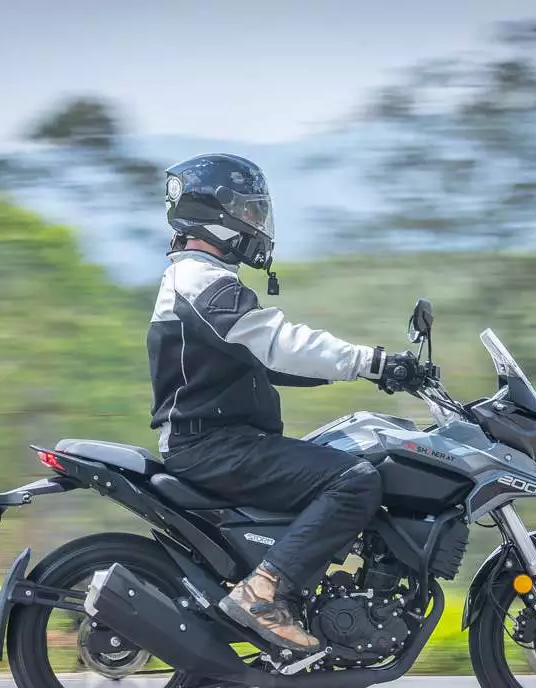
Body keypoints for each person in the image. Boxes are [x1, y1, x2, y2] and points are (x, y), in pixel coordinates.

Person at [146, 153, 422, 653]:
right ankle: (263, 592)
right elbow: (281, 343)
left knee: (350, 456)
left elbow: (271, 364)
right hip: (213, 444)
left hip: (221, 441)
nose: (257, 225)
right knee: (355, 479)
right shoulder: (202, 282)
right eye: (249, 213)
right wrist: (373, 361)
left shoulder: (198, 279)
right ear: (216, 214)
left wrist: (369, 376)